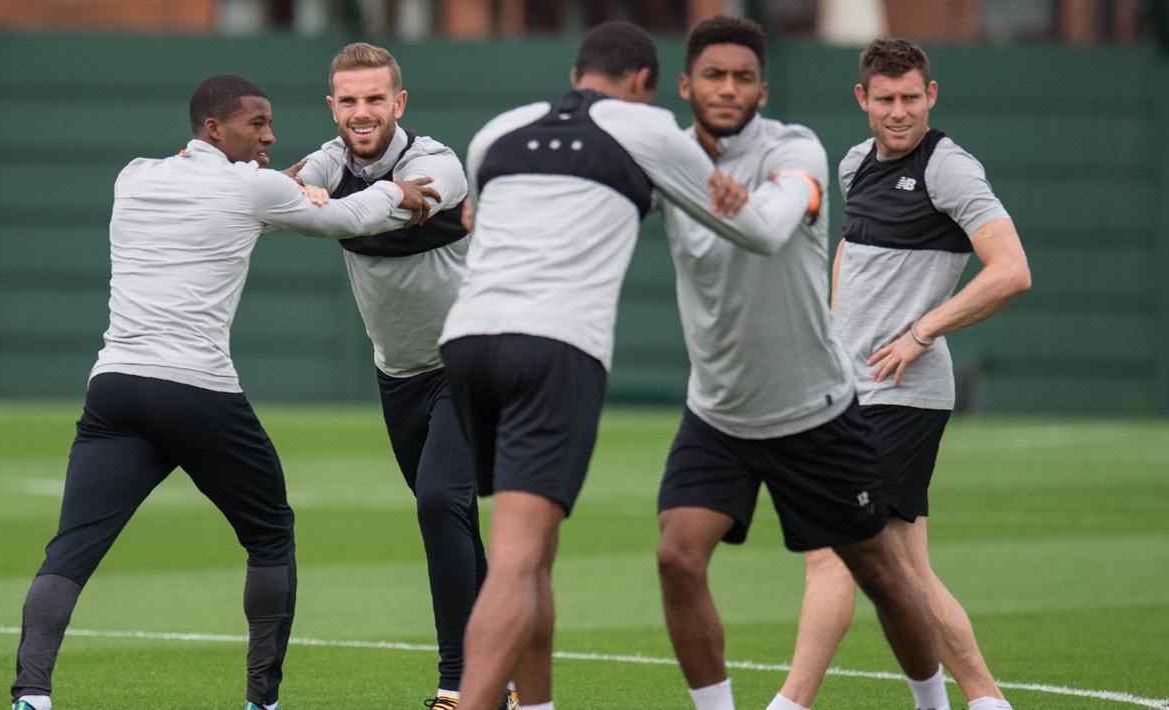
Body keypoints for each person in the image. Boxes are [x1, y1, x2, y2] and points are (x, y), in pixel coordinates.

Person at [8, 74, 431, 710]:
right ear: (213, 128)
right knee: (270, 534)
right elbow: (346, 219)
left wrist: (283, 186)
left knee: (70, 548)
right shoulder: (251, 188)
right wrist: (398, 190)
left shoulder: (134, 176)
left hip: (115, 390)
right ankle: (262, 700)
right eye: (256, 124)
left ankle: (30, 695)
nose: (270, 135)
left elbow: (237, 208)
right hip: (195, 392)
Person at [436, 20, 819, 710]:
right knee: (520, 560)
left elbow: (480, 217)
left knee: (530, 555)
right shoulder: (648, 130)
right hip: (551, 347)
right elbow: (755, 227)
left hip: (465, 343)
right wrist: (742, 187)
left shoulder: (495, 131)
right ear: (645, 84)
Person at [652, 17, 948, 710]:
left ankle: (933, 704)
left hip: (811, 409)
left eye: (743, 78)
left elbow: (775, 221)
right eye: (715, 76)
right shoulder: (664, 155)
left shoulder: (796, 148)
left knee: (879, 571)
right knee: (675, 555)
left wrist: (742, 203)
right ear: (685, 84)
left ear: (762, 87)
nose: (728, 89)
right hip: (717, 411)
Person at [777, 37, 1030, 710]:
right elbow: (849, 250)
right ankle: (976, 701)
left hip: (903, 397)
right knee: (904, 568)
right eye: (884, 99)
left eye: (910, 98)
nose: (898, 112)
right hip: (847, 392)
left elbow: (1010, 272)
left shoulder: (949, 169)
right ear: (862, 99)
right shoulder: (854, 163)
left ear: (931, 95)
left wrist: (920, 332)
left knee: (832, 553)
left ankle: (788, 705)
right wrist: (831, 334)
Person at [292, 42, 513, 710]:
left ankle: (458, 687)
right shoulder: (330, 159)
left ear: (399, 103)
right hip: (399, 376)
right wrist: (294, 188)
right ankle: (502, 682)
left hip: (470, 362)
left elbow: (385, 206)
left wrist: (316, 203)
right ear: (333, 106)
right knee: (453, 522)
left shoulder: (435, 163)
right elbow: (287, 185)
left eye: (375, 100)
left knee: (438, 503)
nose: (363, 114)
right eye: (349, 101)